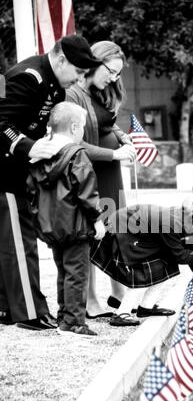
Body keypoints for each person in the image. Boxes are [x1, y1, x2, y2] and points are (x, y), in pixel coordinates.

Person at [0, 34, 104, 330]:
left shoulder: (56, 85)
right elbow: (1, 122)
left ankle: (7, 308)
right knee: (21, 245)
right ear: (60, 60)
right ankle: (30, 313)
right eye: (79, 71)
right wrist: (26, 146)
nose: (80, 78)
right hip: (5, 172)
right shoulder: (27, 76)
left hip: (19, 173)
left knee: (11, 244)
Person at [66, 41, 136, 319]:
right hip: (90, 172)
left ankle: (118, 293)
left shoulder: (102, 90)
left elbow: (107, 121)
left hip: (110, 171)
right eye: (112, 71)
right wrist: (115, 153)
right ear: (96, 62)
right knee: (93, 234)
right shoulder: (73, 94)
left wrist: (121, 135)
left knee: (116, 230)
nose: (114, 78)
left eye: (119, 74)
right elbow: (75, 141)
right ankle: (90, 300)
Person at [27, 102, 106, 337]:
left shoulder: (39, 154)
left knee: (64, 271)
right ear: (74, 127)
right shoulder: (76, 154)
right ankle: (74, 323)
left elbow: (31, 191)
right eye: (81, 127)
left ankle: (64, 316)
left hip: (52, 225)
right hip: (76, 224)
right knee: (78, 272)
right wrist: (97, 220)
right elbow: (87, 192)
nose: (82, 131)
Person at [91, 193, 193, 326]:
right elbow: (182, 257)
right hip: (121, 231)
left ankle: (146, 307)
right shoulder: (173, 223)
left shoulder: (187, 222)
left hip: (138, 234)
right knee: (144, 272)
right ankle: (121, 313)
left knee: (165, 263)